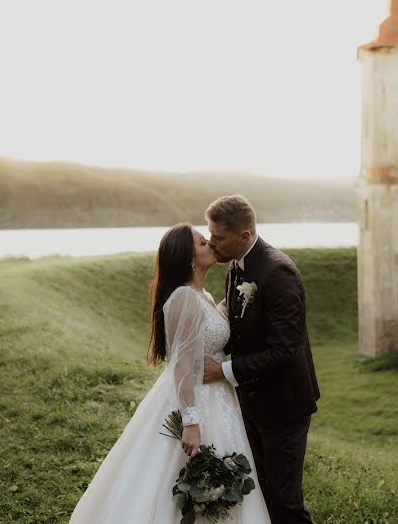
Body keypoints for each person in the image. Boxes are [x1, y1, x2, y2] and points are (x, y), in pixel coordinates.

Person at [69, 223, 272, 523]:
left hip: (219, 398)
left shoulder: (202, 295)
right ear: (189, 258)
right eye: (203, 243)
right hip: (194, 400)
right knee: (176, 481)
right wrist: (190, 420)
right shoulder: (183, 298)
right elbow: (181, 363)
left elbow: (207, 335)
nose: (211, 245)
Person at [203, 195, 320, 524]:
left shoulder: (277, 273)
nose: (212, 243)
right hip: (251, 402)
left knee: (285, 503)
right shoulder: (235, 267)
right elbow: (240, 327)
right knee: (264, 495)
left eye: (219, 237)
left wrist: (223, 371)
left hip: (283, 406)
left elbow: (284, 351)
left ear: (244, 236)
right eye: (210, 234)